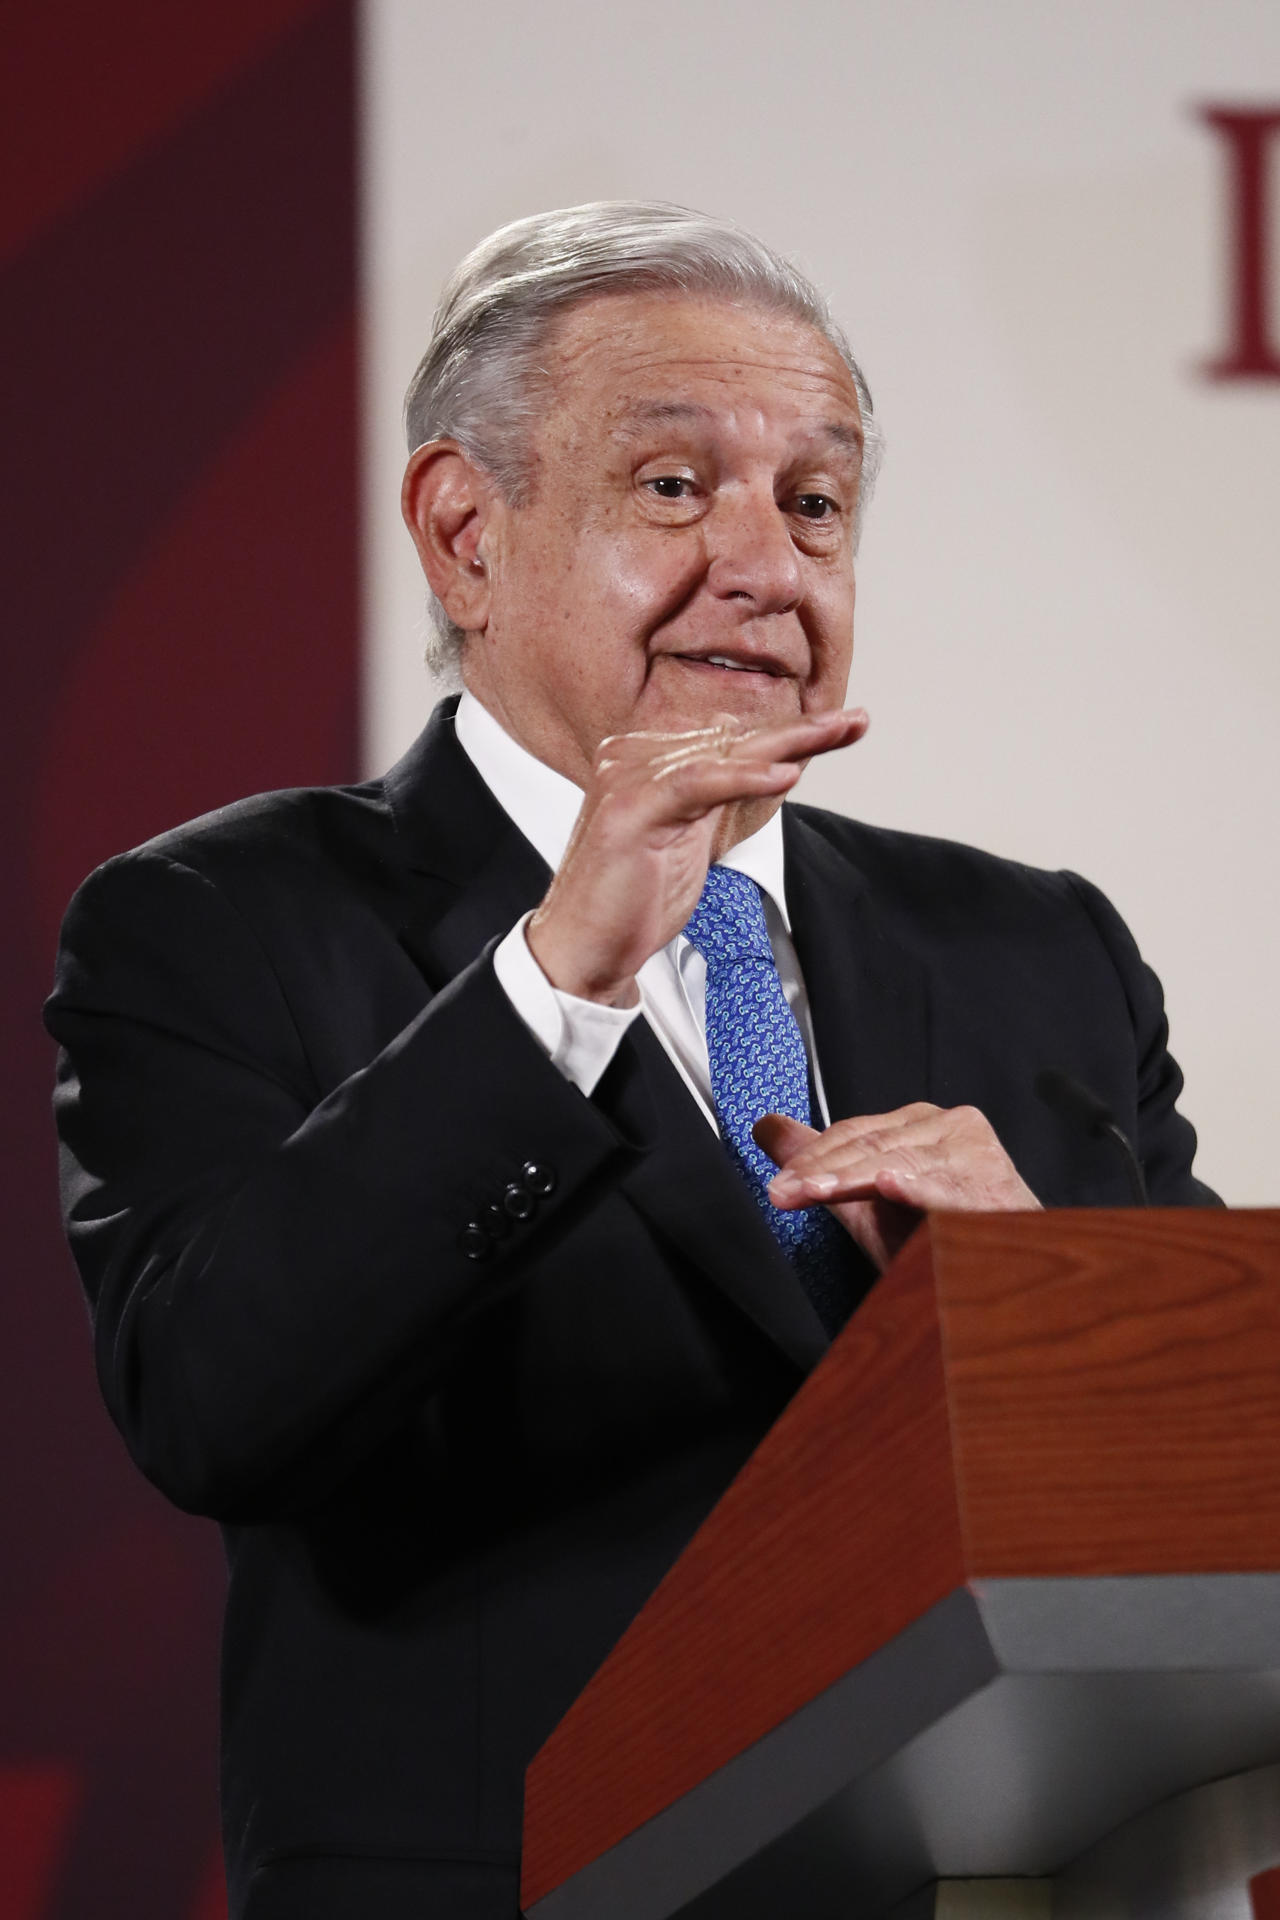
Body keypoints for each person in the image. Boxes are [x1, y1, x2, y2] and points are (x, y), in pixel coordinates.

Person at [45, 202, 1217, 1920]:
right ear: (465, 536)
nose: (766, 563)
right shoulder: (222, 919)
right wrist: (557, 979)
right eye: (675, 488)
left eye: (816, 503)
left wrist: (1040, 1299)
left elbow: (1215, 1489)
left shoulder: (1038, 952)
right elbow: (215, 1401)